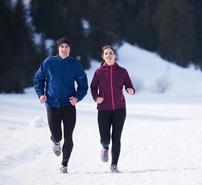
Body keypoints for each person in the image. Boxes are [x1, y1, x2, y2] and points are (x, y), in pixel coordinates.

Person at [33, 37, 88, 174]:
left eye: (67, 46)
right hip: (52, 105)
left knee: (68, 136)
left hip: (69, 105)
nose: (64, 49)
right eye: (62, 46)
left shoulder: (75, 64)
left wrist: (77, 98)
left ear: (70, 49)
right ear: (58, 48)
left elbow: (83, 85)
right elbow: (38, 79)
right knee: (58, 135)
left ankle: (64, 165)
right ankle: (55, 141)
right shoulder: (49, 62)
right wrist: (41, 94)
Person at [90, 45, 135, 173]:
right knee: (105, 138)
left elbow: (129, 85)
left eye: (111, 53)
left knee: (116, 138)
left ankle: (114, 165)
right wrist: (96, 97)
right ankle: (105, 147)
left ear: (115, 55)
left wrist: (130, 90)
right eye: (106, 53)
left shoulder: (122, 71)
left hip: (120, 109)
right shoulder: (98, 72)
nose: (108, 55)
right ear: (103, 57)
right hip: (103, 109)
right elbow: (93, 87)